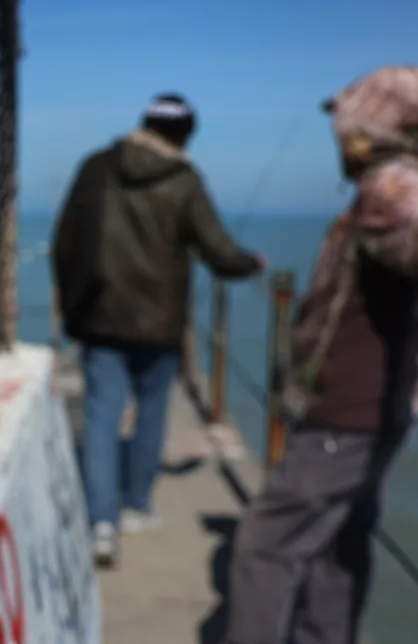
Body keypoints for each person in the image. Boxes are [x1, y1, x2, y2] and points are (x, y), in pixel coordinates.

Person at [176, 66, 418, 644]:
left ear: (369, 127)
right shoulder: (407, 183)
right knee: (341, 542)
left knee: (267, 542)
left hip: (345, 410)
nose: (337, 134)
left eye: (346, 121)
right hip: (381, 407)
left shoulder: (395, 187)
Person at [52, 94, 264, 568]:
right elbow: (219, 251)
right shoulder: (184, 180)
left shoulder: (95, 169)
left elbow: (64, 242)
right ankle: (137, 505)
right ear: (187, 133)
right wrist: (251, 263)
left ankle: (100, 523)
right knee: (152, 413)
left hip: (99, 317)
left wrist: (71, 306)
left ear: (144, 122)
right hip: (160, 324)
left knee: (102, 417)